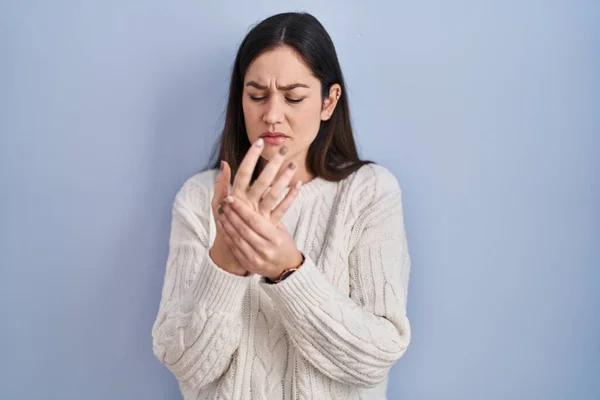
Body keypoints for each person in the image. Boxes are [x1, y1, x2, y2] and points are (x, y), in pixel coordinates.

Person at [152, 11, 411, 400]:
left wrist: (287, 269)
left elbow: (374, 358)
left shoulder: (369, 193)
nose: (272, 115)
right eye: (256, 95)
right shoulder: (199, 197)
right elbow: (185, 363)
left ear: (329, 101)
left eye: (293, 97)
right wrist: (226, 258)